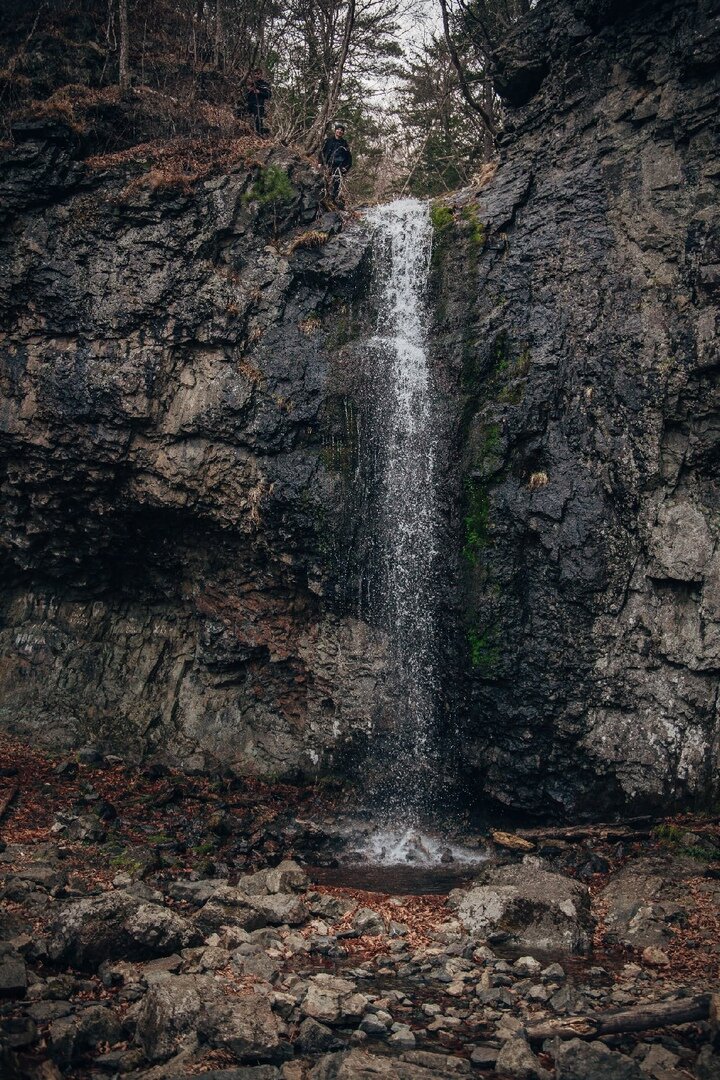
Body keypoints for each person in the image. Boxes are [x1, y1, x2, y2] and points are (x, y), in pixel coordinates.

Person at [320, 123, 353, 204]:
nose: (340, 131)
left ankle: (333, 200)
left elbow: (349, 158)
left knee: (336, 184)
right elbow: (322, 152)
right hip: (327, 165)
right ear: (335, 130)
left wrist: (346, 168)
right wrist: (320, 162)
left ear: (343, 133)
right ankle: (322, 199)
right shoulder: (328, 140)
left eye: (342, 130)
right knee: (323, 182)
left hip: (338, 167)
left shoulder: (344, 144)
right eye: (338, 129)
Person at [245, 69, 271, 136]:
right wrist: (249, 91)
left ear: (261, 75)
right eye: (255, 74)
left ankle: (260, 136)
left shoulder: (265, 84)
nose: (257, 76)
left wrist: (259, 92)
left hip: (259, 106)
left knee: (258, 124)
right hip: (249, 106)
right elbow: (245, 96)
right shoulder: (251, 84)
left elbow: (268, 95)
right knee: (247, 122)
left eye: (258, 74)